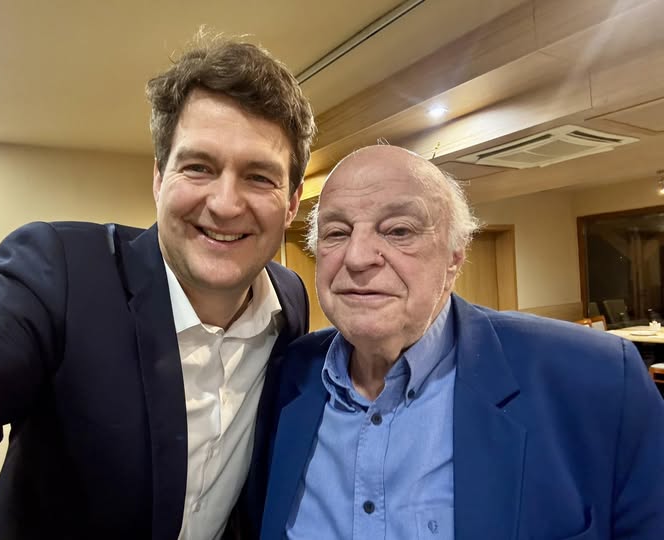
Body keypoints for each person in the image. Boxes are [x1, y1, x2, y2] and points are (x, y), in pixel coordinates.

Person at [0, 35, 315, 540]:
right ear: (160, 178)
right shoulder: (60, 274)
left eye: (259, 177)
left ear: (291, 202)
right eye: (199, 167)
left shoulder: (289, 303)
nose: (226, 204)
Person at [260, 145, 664, 540]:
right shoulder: (286, 374)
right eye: (336, 232)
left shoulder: (597, 379)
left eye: (399, 230)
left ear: (455, 256)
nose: (357, 257)